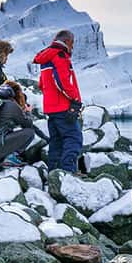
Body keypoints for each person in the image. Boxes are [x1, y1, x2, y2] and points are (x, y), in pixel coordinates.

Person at [34, 30, 83, 173]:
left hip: (51, 108)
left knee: (56, 142)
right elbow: (62, 82)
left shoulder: (46, 58)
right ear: (67, 41)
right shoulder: (60, 56)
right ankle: (68, 174)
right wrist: (75, 100)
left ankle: (54, 174)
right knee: (73, 139)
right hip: (63, 107)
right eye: (72, 43)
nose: (72, 47)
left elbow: (42, 84)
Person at [0, 81, 45, 169]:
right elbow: (27, 124)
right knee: (29, 132)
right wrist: (28, 112)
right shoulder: (10, 105)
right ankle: (11, 158)